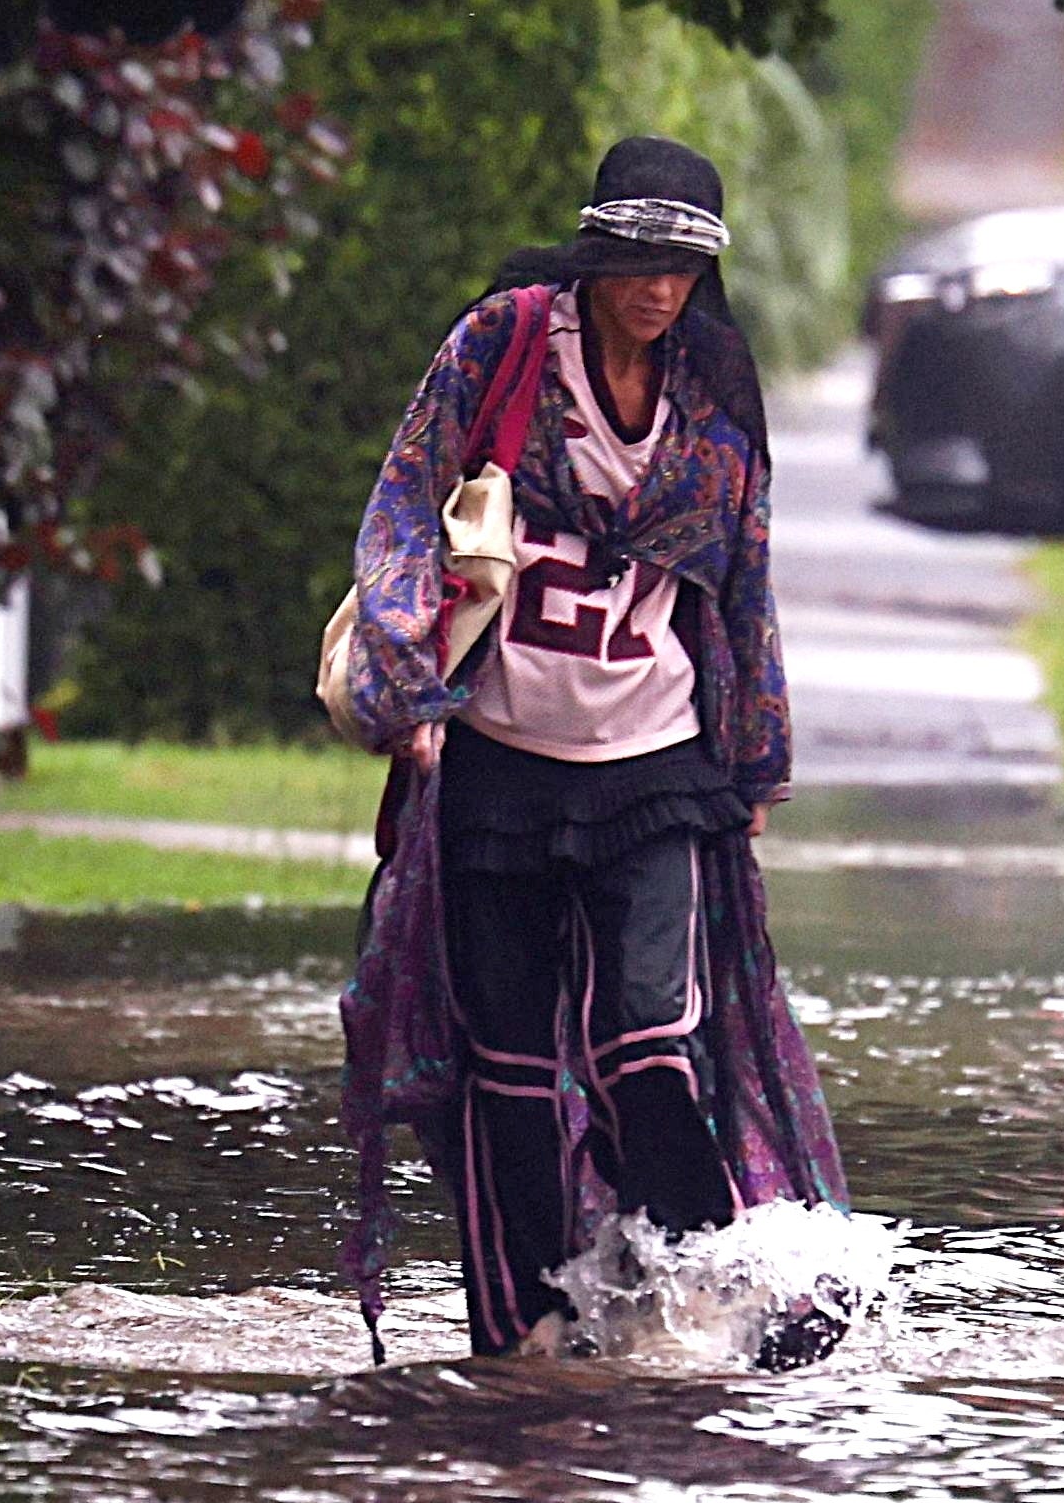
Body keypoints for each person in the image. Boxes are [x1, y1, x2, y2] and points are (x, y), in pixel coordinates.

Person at [335, 138, 848, 1360]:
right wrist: (406, 679)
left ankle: (709, 1299)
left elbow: (745, 572)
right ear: (596, 251)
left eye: (680, 266)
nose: (656, 289)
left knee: (648, 1048)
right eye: (636, 260)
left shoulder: (713, 389)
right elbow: (406, 500)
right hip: (500, 762)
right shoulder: (507, 344)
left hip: (656, 762)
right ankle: (527, 1330)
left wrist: (758, 757)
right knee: (505, 1068)